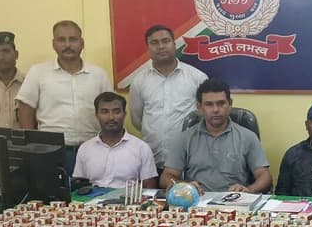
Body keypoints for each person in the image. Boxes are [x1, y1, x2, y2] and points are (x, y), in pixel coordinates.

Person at [15, 20, 113, 175]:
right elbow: (25, 110)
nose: (67, 45)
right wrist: (32, 148)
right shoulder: (38, 72)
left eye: (73, 39)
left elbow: (110, 111)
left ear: (82, 43)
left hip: (92, 149)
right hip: (50, 151)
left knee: (92, 190)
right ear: (53, 44)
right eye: (61, 40)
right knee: (52, 191)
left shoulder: (98, 74)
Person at [160, 78, 272, 194]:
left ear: (230, 104)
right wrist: (183, 186)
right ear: (199, 107)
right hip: (197, 200)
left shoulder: (248, 137)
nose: (216, 110)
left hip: (235, 200)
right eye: (209, 104)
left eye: (221, 103)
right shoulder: (184, 138)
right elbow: (167, 176)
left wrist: (249, 190)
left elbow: (264, 176)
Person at [129, 24, 207, 171]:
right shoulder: (139, 81)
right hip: (151, 161)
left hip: (188, 162)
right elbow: (137, 120)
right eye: (154, 42)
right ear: (148, 48)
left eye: (165, 41)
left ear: (174, 44)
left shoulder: (197, 78)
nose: (161, 46)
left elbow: (205, 117)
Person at [73, 92, 158, 189]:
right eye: (105, 112)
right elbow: (79, 187)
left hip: (127, 198)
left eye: (116, 112)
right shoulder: (85, 149)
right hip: (91, 197)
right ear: (97, 115)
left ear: (124, 114)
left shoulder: (141, 148)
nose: (111, 117)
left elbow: (149, 187)